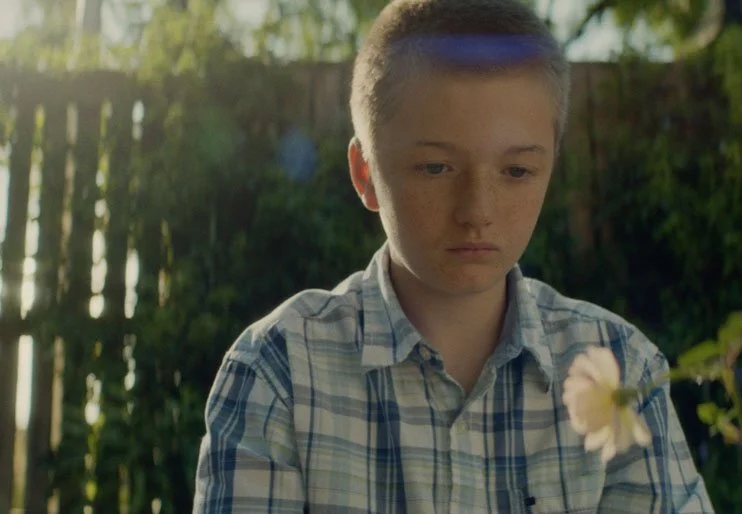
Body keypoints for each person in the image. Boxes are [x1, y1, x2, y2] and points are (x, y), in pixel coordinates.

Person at [193, 0, 714, 512]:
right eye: (437, 168)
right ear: (366, 173)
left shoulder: (622, 369)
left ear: (550, 168)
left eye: (515, 172)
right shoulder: (280, 370)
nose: (477, 212)